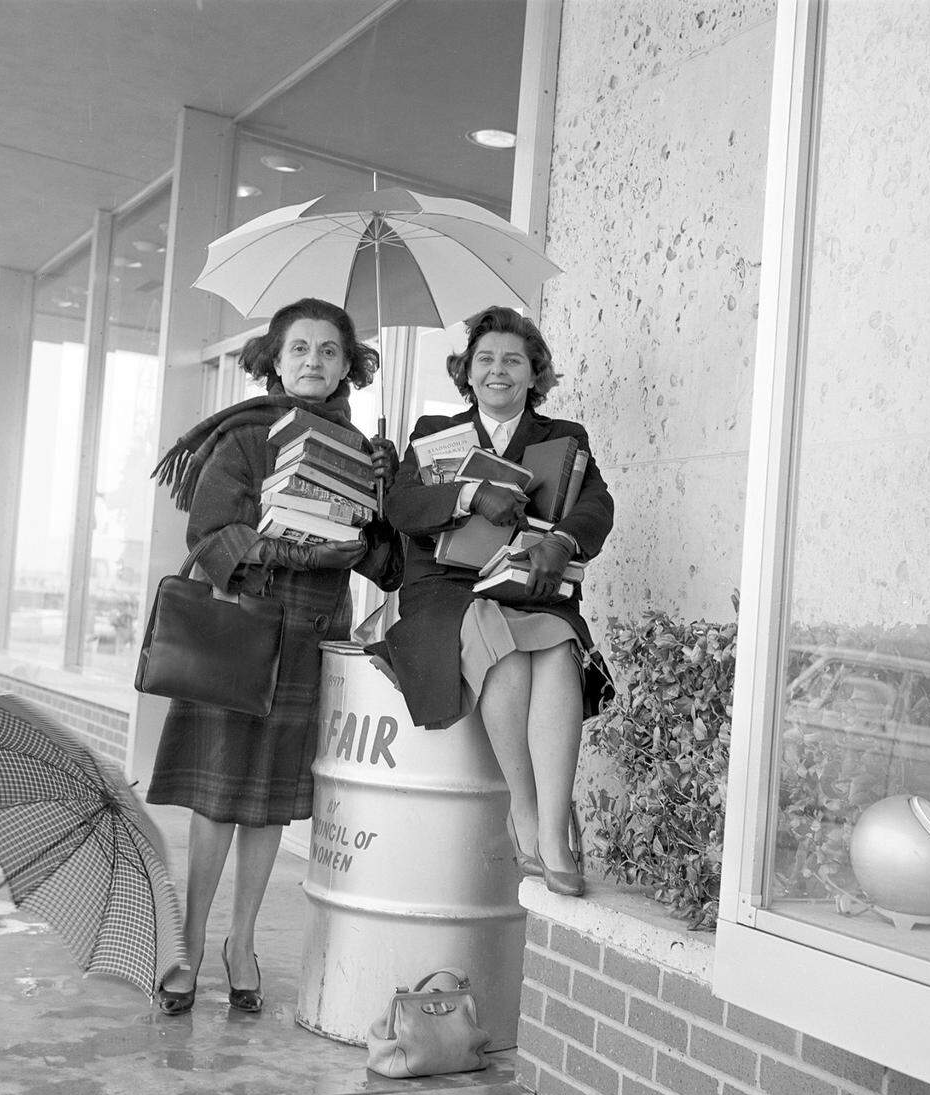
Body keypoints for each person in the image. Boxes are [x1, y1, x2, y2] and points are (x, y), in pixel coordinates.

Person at [146, 297, 402, 1015]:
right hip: (242, 629)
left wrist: (386, 497)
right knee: (218, 796)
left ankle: (243, 943)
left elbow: (387, 565)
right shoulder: (247, 436)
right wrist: (285, 547)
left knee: (267, 806)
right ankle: (189, 945)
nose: (314, 361)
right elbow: (209, 529)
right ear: (275, 358)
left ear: (350, 364)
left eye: (329, 350)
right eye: (300, 349)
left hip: (312, 633)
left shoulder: (366, 450)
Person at [375, 306, 614, 897]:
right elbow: (401, 509)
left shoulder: (564, 438)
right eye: (486, 360)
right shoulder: (434, 435)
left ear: (535, 374)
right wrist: (468, 494)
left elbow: (598, 504)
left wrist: (563, 540)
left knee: (559, 649)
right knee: (504, 654)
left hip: (528, 579)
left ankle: (553, 832)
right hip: (447, 587)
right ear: (467, 371)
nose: (498, 371)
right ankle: (526, 817)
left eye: (513, 360)